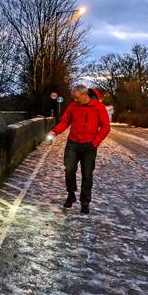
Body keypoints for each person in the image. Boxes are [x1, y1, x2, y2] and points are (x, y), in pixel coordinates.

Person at [46, 85, 111, 214]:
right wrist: (54, 132)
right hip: (73, 144)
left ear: (84, 95)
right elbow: (65, 122)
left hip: (89, 146)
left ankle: (85, 202)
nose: (75, 100)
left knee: (87, 174)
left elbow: (105, 127)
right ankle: (71, 194)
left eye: (77, 98)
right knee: (69, 169)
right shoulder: (73, 107)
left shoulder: (98, 107)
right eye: (74, 98)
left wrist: (95, 143)